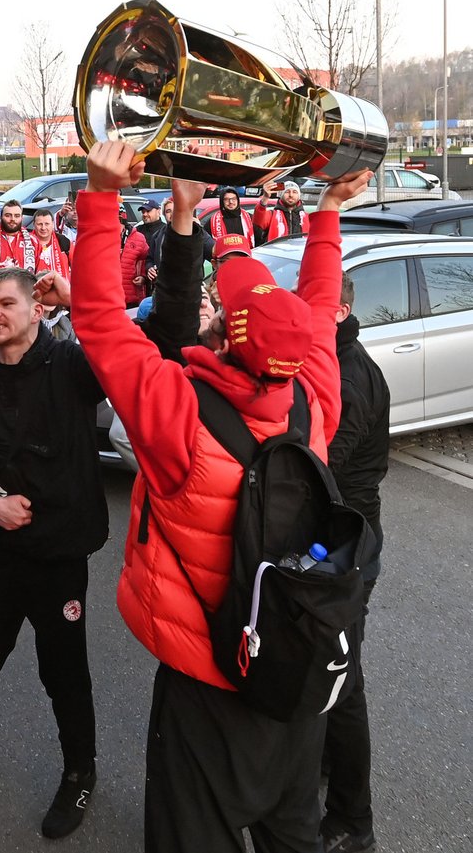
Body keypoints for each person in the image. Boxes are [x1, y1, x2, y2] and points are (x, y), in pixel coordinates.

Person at [69, 138, 372, 853]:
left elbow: (100, 323)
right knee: (291, 831)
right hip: (287, 683)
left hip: (207, 688)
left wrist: (99, 196)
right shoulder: (313, 402)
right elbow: (322, 303)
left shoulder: (181, 414)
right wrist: (327, 210)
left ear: (226, 336)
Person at [0, 266, 108, 840]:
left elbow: (129, 346)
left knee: (65, 674)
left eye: (6, 303)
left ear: (38, 309)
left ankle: (79, 773)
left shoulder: (70, 366)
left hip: (60, 557)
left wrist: (81, 300)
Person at [320, 271, 390, 853]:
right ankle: (321, 768)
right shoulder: (329, 363)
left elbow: (323, 464)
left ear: (338, 312)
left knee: (343, 685)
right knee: (324, 675)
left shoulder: (351, 377)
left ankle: (351, 821)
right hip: (335, 541)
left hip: (349, 549)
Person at [254, 179, 309, 245]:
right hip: (275, 253)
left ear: (299, 196)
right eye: (287, 192)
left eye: (294, 192)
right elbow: (258, 222)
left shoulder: (307, 218)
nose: (291, 195)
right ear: (281, 195)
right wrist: (265, 197)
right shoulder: (272, 215)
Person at [31, 209, 71, 281]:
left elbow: (78, 266)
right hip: (34, 288)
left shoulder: (63, 241)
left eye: (47, 224)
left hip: (61, 288)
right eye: (39, 224)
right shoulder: (26, 242)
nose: (43, 228)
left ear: (52, 224)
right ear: (34, 225)